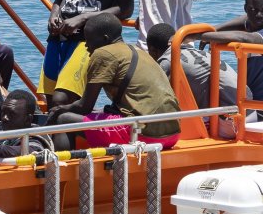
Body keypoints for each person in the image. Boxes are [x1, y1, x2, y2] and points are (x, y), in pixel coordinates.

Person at [48, 13, 180, 151]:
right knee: (93, 113)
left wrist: (58, 110)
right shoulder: (138, 51)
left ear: (105, 39)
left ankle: (62, 163)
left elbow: (84, 107)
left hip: (143, 134)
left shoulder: (103, 53)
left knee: (63, 119)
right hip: (172, 134)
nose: (86, 45)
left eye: (89, 39)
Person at [196, 0, 263, 120]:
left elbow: (246, 38)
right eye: (253, 10)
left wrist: (199, 36)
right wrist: (214, 30)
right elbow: (244, 20)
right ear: (246, 9)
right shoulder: (252, 24)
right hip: (249, 104)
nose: (259, 15)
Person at [147, 23, 253, 138]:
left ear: (152, 51)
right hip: (250, 112)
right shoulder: (202, 53)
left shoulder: (168, 61)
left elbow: (155, 100)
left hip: (232, 124)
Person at [0, 90, 52, 164]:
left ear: (28, 119)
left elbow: (33, 150)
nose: (4, 118)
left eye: (12, 114)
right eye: (3, 112)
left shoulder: (35, 137)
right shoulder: (7, 133)